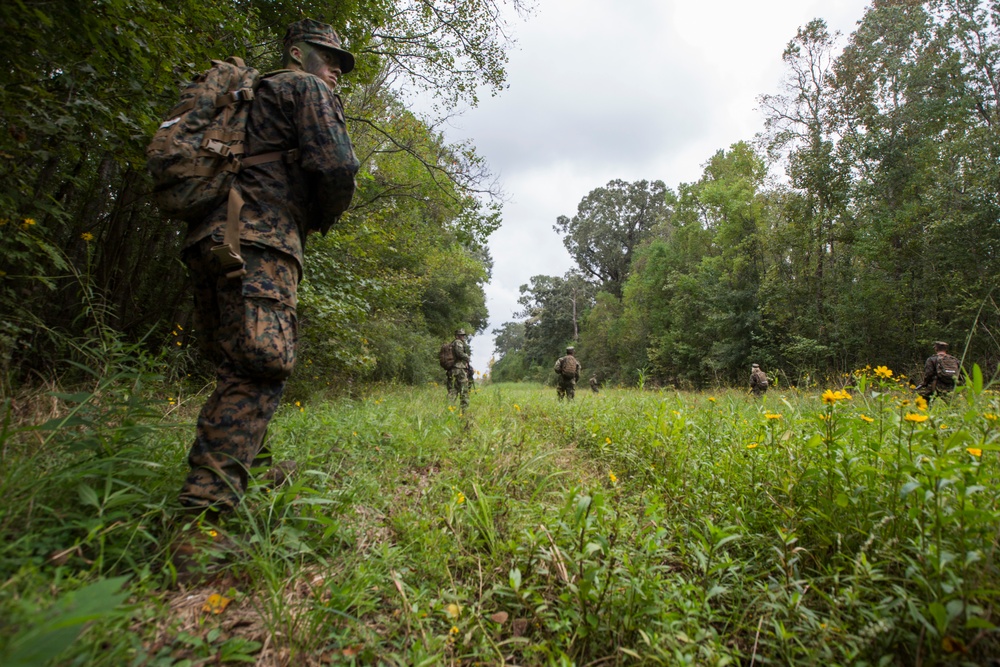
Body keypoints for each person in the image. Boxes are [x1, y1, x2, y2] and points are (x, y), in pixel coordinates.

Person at [177, 19, 359, 517]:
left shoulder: (250, 98)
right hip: (259, 240)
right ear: (297, 53)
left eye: (340, 62)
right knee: (262, 364)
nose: (336, 70)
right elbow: (338, 166)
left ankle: (253, 469)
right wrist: (319, 218)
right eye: (327, 56)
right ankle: (204, 516)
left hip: (209, 237)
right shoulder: (303, 86)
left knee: (238, 363)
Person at [449, 329, 471, 411]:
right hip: (458, 369)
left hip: (454, 369)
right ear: (457, 336)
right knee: (464, 390)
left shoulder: (453, 343)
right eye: (461, 335)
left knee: (454, 390)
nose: (463, 337)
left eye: (463, 335)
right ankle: (464, 410)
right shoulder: (458, 342)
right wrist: (467, 357)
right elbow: (460, 354)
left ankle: (450, 409)